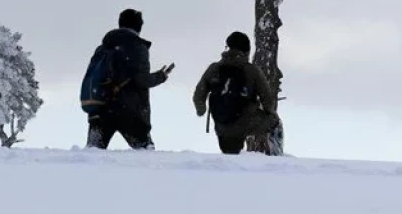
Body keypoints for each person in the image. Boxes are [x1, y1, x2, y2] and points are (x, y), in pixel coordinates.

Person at [84, 8, 174, 150]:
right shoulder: (137, 47)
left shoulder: (102, 48)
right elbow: (141, 80)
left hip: (100, 107)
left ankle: (76, 172)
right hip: (129, 110)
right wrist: (160, 76)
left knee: (92, 154)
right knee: (145, 154)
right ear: (139, 26)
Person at [192, 31, 280, 154]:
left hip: (220, 125)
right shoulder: (251, 70)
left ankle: (234, 163)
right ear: (246, 50)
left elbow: (198, 94)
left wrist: (201, 110)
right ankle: (274, 155)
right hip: (245, 123)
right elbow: (268, 100)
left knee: (230, 152)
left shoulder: (214, 68)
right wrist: (269, 113)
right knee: (275, 122)